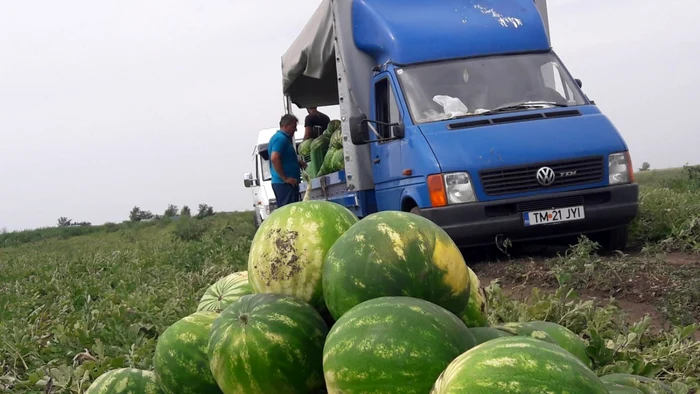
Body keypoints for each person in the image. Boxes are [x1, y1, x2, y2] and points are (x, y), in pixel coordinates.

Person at [269, 114, 307, 208]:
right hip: (284, 184)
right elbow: (274, 158)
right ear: (286, 126)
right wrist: (285, 178)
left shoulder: (282, 138)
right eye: (294, 127)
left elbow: (282, 158)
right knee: (289, 212)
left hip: (286, 184)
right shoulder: (280, 139)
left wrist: (296, 163)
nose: (295, 130)